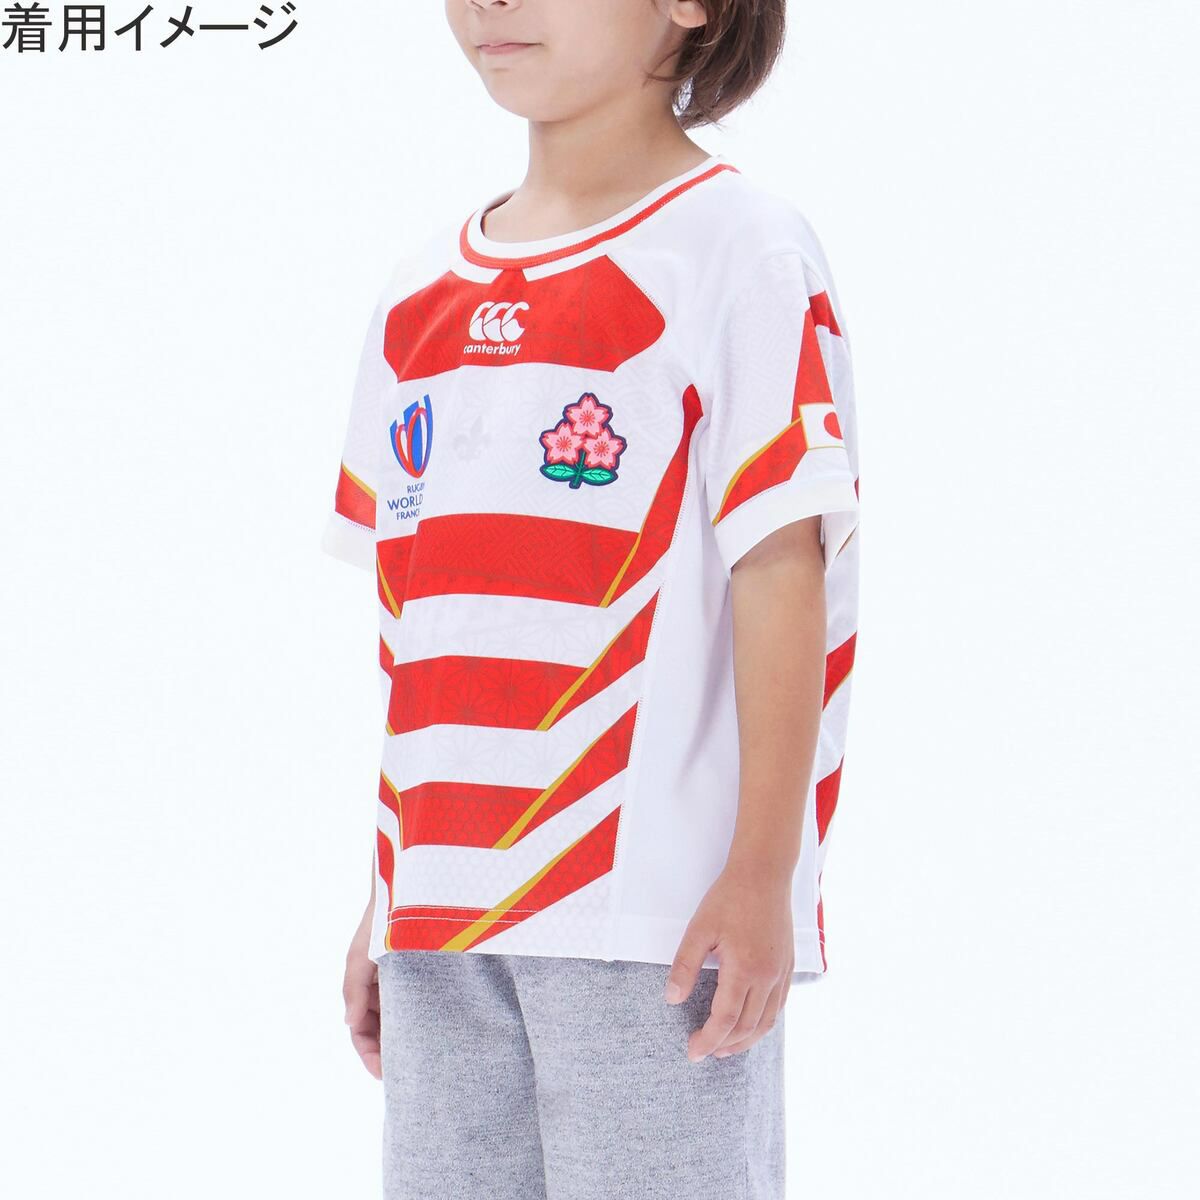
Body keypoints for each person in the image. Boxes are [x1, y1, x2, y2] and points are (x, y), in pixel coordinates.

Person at [321, 2, 861, 1196]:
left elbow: (781, 570)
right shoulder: (420, 295)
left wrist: (765, 874)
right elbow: (426, 627)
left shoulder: (736, 251)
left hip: (649, 919)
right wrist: (386, 898)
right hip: (440, 923)